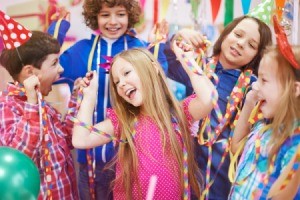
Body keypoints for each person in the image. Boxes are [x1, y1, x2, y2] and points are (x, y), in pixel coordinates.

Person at [47, 0, 168, 199]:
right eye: (105, 15)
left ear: (130, 16)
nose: (113, 21)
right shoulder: (81, 51)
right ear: (95, 17)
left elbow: (158, 85)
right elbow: (45, 67)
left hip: (135, 159)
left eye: (120, 14)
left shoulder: (140, 49)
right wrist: (56, 34)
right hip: (91, 160)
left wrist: (157, 48)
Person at [72, 43, 218, 199]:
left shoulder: (179, 113)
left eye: (126, 73)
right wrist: (89, 96)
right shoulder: (123, 122)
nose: (121, 83)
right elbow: (81, 140)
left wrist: (186, 60)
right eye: (116, 82)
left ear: (153, 68)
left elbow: (209, 98)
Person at [165, 15, 273, 199]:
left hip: (221, 172)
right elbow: (164, 60)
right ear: (225, 34)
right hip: (185, 163)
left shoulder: (253, 87)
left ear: (258, 55)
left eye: (251, 45)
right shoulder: (197, 65)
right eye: (238, 34)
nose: (240, 44)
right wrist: (179, 38)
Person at [0, 30, 81, 200]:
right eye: (54, 63)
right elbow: (20, 158)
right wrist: (31, 104)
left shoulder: (44, 106)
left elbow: (67, 140)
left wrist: (77, 97)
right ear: (30, 72)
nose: (61, 69)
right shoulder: (7, 108)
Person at [229, 41, 300, 198]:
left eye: (264, 80)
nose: (256, 86)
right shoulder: (265, 124)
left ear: (294, 89)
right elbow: (236, 147)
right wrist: (249, 102)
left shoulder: (294, 144)